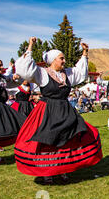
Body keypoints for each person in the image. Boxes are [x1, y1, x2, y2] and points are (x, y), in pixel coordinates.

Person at [14, 37, 103, 184]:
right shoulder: (42, 74)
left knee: (69, 138)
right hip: (48, 110)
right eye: (61, 58)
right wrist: (30, 46)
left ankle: (63, 169)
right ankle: (47, 171)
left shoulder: (67, 74)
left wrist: (85, 53)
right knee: (48, 140)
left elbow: (80, 72)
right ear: (53, 60)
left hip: (65, 109)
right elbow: (26, 70)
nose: (64, 61)